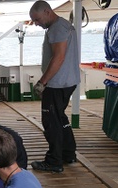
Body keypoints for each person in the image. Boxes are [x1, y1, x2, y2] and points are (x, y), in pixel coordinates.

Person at [30, 0, 80, 173]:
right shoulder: (64, 25)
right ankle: (68, 154)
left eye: (37, 19)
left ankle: (54, 161)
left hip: (57, 84)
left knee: (51, 121)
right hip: (68, 81)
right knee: (60, 118)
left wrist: (42, 82)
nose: (37, 24)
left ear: (46, 11)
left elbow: (58, 58)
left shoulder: (58, 28)